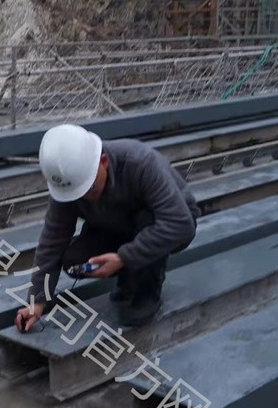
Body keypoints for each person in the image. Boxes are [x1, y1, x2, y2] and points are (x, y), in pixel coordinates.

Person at [15, 124, 200, 333]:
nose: (86, 197)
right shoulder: (68, 184)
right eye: (79, 194)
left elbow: (181, 224)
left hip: (171, 221)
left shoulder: (139, 163)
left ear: (103, 162)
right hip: (118, 224)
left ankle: (145, 291)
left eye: (90, 187)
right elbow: (52, 241)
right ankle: (130, 273)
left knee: (146, 220)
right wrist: (37, 301)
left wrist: (124, 257)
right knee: (76, 260)